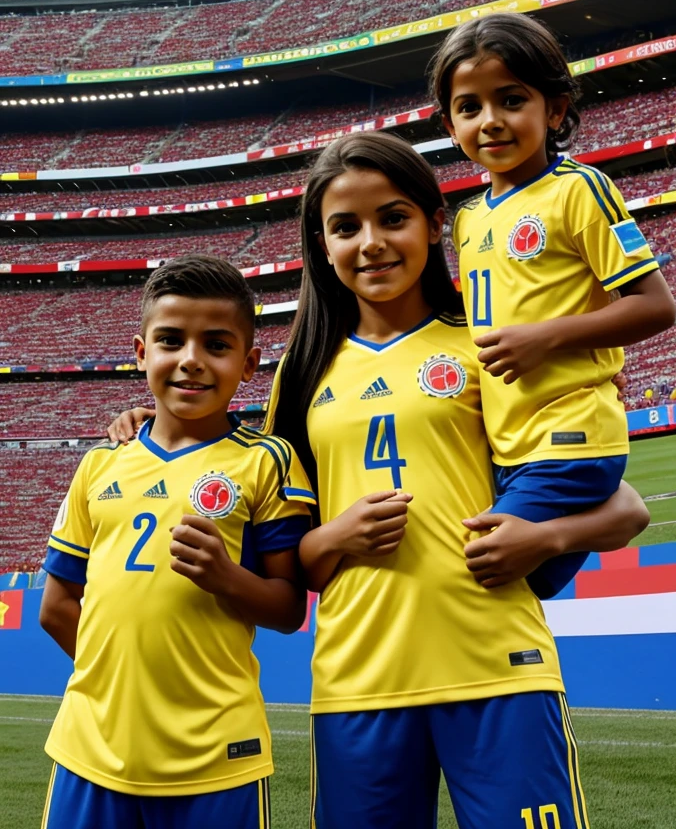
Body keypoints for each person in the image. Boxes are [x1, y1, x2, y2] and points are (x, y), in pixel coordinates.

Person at [108, 135, 648, 829]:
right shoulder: (299, 380)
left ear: (433, 222)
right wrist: (335, 534)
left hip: (498, 667)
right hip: (356, 685)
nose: (371, 243)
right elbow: (290, 569)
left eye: (392, 218)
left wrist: (545, 537)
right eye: (345, 227)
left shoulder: (492, 345)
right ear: (322, 245)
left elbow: (623, 506)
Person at [39, 255, 315, 829]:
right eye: (171, 341)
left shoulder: (267, 462)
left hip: (218, 752)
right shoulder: (99, 463)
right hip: (90, 747)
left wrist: (226, 578)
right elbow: (57, 607)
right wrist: (120, 687)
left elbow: (289, 608)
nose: (191, 361)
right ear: (141, 352)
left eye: (216, 345)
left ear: (249, 363)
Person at [431, 13, 676, 598]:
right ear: (450, 124)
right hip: (505, 441)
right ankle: (621, 512)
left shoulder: (579, 190)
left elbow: (656, 306)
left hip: (568, 436)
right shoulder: (467, 219)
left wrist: (543, 338)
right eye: (469, 108)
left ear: (556, 110)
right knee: (503, 578)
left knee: (481, 574)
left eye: (511, 100)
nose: (490, 121)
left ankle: (610, 516)